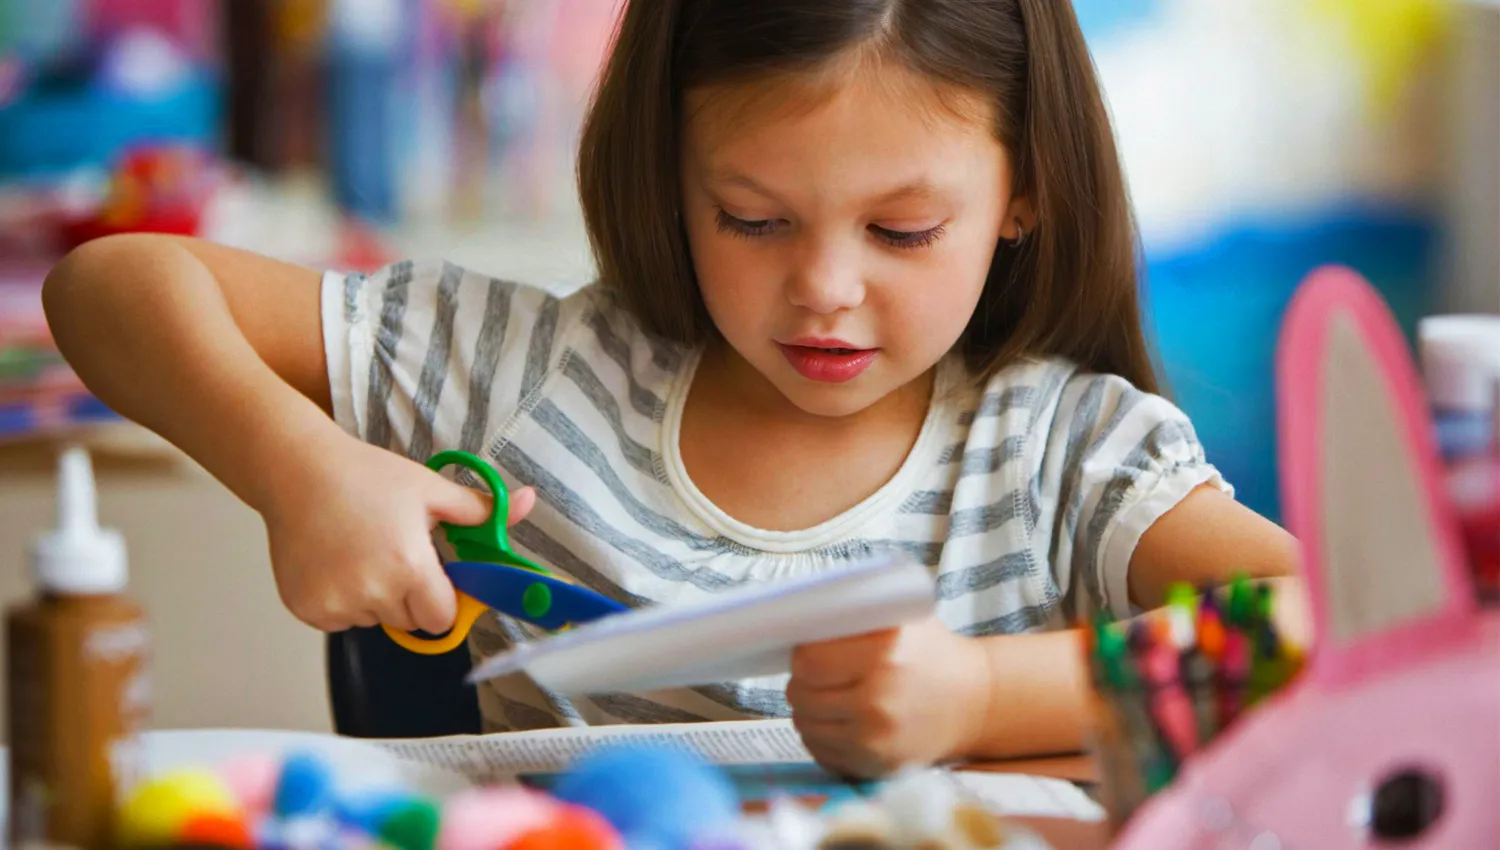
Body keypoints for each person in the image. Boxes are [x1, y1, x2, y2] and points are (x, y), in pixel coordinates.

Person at [43, 0, 1298, 778]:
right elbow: (111, 286)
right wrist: (295, 466)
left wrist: (976, 697)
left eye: (903, 231)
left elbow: (1327, 620)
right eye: (751, 218)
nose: (823, 290)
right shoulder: (530, 373)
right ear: (672, 170)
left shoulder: (1058, 454)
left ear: (1024, 191)